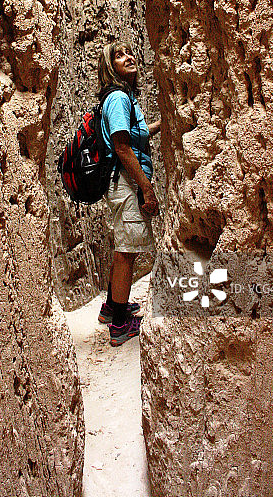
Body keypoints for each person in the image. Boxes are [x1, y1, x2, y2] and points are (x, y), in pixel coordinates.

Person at [96, 42, 161, 346]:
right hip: (126, 181)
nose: (129, 57)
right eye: (119, 55)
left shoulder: (120, 98)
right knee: (126, 253)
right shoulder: (120, 98)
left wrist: (167, 123)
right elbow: (122, 145)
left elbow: (137, 133)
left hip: (122, 181)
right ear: (110, 67)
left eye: (129, 52)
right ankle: (120, 325)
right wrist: (146, 189)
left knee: (124, 245)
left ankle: (112, 308)